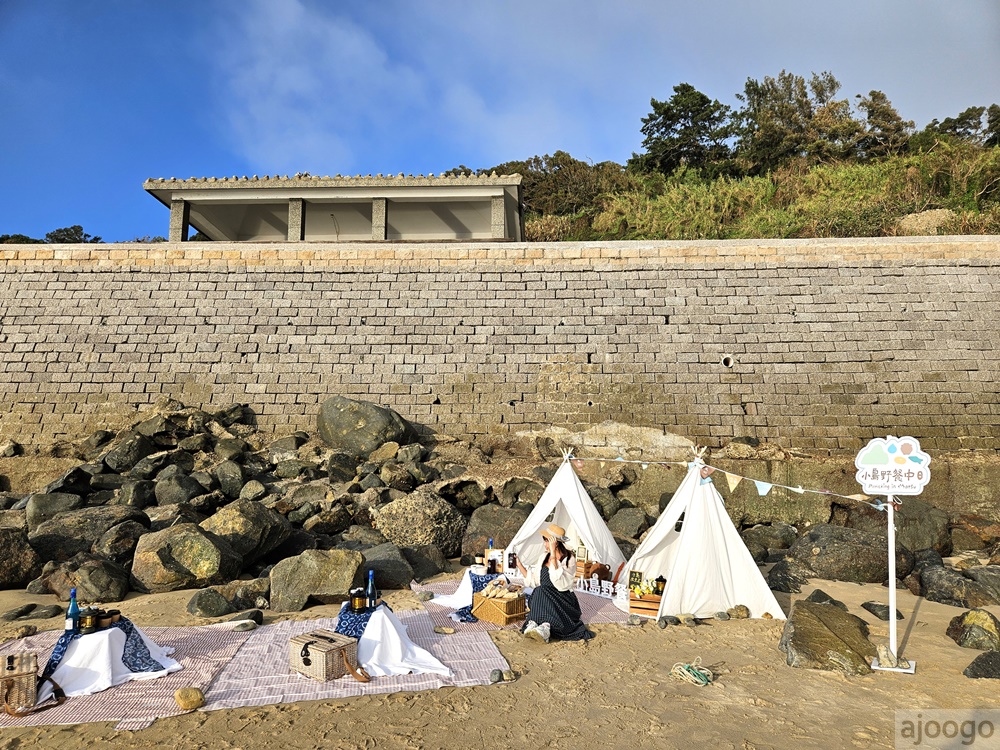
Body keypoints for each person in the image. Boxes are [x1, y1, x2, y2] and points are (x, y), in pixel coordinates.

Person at [513, 523, 593, 642]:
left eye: (547, 541)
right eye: (545, 541)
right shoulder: (543, 557)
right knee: (539, 590)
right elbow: (534, 581)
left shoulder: (569, 559)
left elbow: (561, 584)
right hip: (545, 596)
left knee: (542, 591)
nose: (545, 544)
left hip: (563, 598)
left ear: (556, 542)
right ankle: (536, 625)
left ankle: (544, 627)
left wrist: (553, 555)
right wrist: (519, 564)